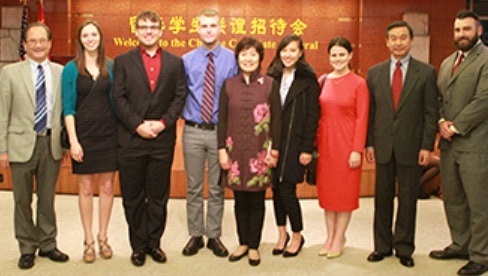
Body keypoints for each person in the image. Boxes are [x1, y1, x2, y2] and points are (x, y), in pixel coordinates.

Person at [112, 10, 187, 267]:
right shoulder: (122, 61)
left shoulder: (176, 63)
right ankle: (138, 246)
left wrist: (163, 123)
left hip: (161, 139)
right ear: (136, 31)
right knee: (133, 196)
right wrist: (137, 125)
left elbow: (180, 97)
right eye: (143, 27)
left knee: (158, 195)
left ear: (161, 30)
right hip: (131, 140)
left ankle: (154, 243)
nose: (148, 31)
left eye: (153, 27)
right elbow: (118, 99)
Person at [365, 21, 439, 268]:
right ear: (387, 42)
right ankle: (382, 246)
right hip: (383, 146)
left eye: (402, 38)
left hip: (412, 147)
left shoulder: (426, 72)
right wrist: (370, 144)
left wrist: (427, 146)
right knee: (382, 199)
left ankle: (404, 248)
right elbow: (371, 112)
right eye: (393, 38)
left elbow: (431, 113)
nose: (398, 42)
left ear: (411, 41)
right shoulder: (374, 73)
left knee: (408, 201)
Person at [0, 22, 69, 269]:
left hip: (50, 144)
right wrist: (2, 149)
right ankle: (27, 246)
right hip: (20, 145)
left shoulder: (62, 72)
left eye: (43, 41)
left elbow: (65, 113)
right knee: (21, 200)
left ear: (50, 44)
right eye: (33, 41)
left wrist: (67, 146)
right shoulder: (9, 73)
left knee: (47, 198)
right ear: (26, 45)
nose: (38, 45)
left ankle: (48, 243)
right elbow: (2, 113)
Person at [430, 10, 488, 276]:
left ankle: (481, 255)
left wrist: (456, 126)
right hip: (449, 145)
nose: (461, 34)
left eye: (466, 29)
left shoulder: (486, 59)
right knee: (452, 198)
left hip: (476, 143)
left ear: (478, 31)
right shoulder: (447, 62)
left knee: (478, 202)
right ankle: (460, 244)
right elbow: (439, 97)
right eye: (457, 30)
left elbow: (483, 100)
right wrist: (441, 121)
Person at [218, 37, 281, 266]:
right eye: (244, 54)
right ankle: (243, 242)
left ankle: (254, 246)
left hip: (259, 152)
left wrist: (274, 150)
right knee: (239, 199)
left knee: (256, 199)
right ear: (238, 57)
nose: (248, 58)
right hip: (235, 152)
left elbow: (277, 121)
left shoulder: (270, 84)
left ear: (260, 58)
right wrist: (222, 150)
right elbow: (222, 120)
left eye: (253, 54)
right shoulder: (228, 84)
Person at [181, 9, 237, 257]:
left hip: (220, 132)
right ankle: (195, 235)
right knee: (193, 187)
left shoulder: (233, 59)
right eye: (204, 26)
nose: (208, 30)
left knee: (216, 187)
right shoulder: (186, 60)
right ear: (197, 29)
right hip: (192, 130)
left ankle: (214, 235)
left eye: (213, 25)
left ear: (220, 28)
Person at [61, 20, 117, 263]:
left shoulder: (112, 66)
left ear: (100, 37)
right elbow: (68, 107)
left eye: (94, 34)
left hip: (109, 135)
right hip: (83, 136)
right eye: (86, 35)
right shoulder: (71, 69)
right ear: (80, 39)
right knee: (85, 189)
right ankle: (88, 241)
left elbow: (117, 102)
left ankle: (103, 237)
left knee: (106, 188)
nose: (90, 38)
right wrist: (73, 141)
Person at [315, 37, 369, 259]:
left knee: (344, 195)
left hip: (347, 144)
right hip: (326, 144)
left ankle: (340, 238)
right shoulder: (323, 80)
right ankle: (330, 237)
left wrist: (357, 149)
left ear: (350, 55)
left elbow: (362, 118)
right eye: (334, 55)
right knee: (328, 195)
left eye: (341, 54)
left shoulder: (359, 83)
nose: (337, 59)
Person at [267, 34, 320, 258]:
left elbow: (312, 116)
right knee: (275, 189)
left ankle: (297, 234)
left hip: (296, 144)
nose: (288, 55)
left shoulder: (308, 80)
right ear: (279, 53)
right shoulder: (272, 77)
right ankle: (282, 234)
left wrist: (307, 148)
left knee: (287, 188)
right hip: (273, 143)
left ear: (300, 53)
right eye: (284, 50)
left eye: (293, 50)